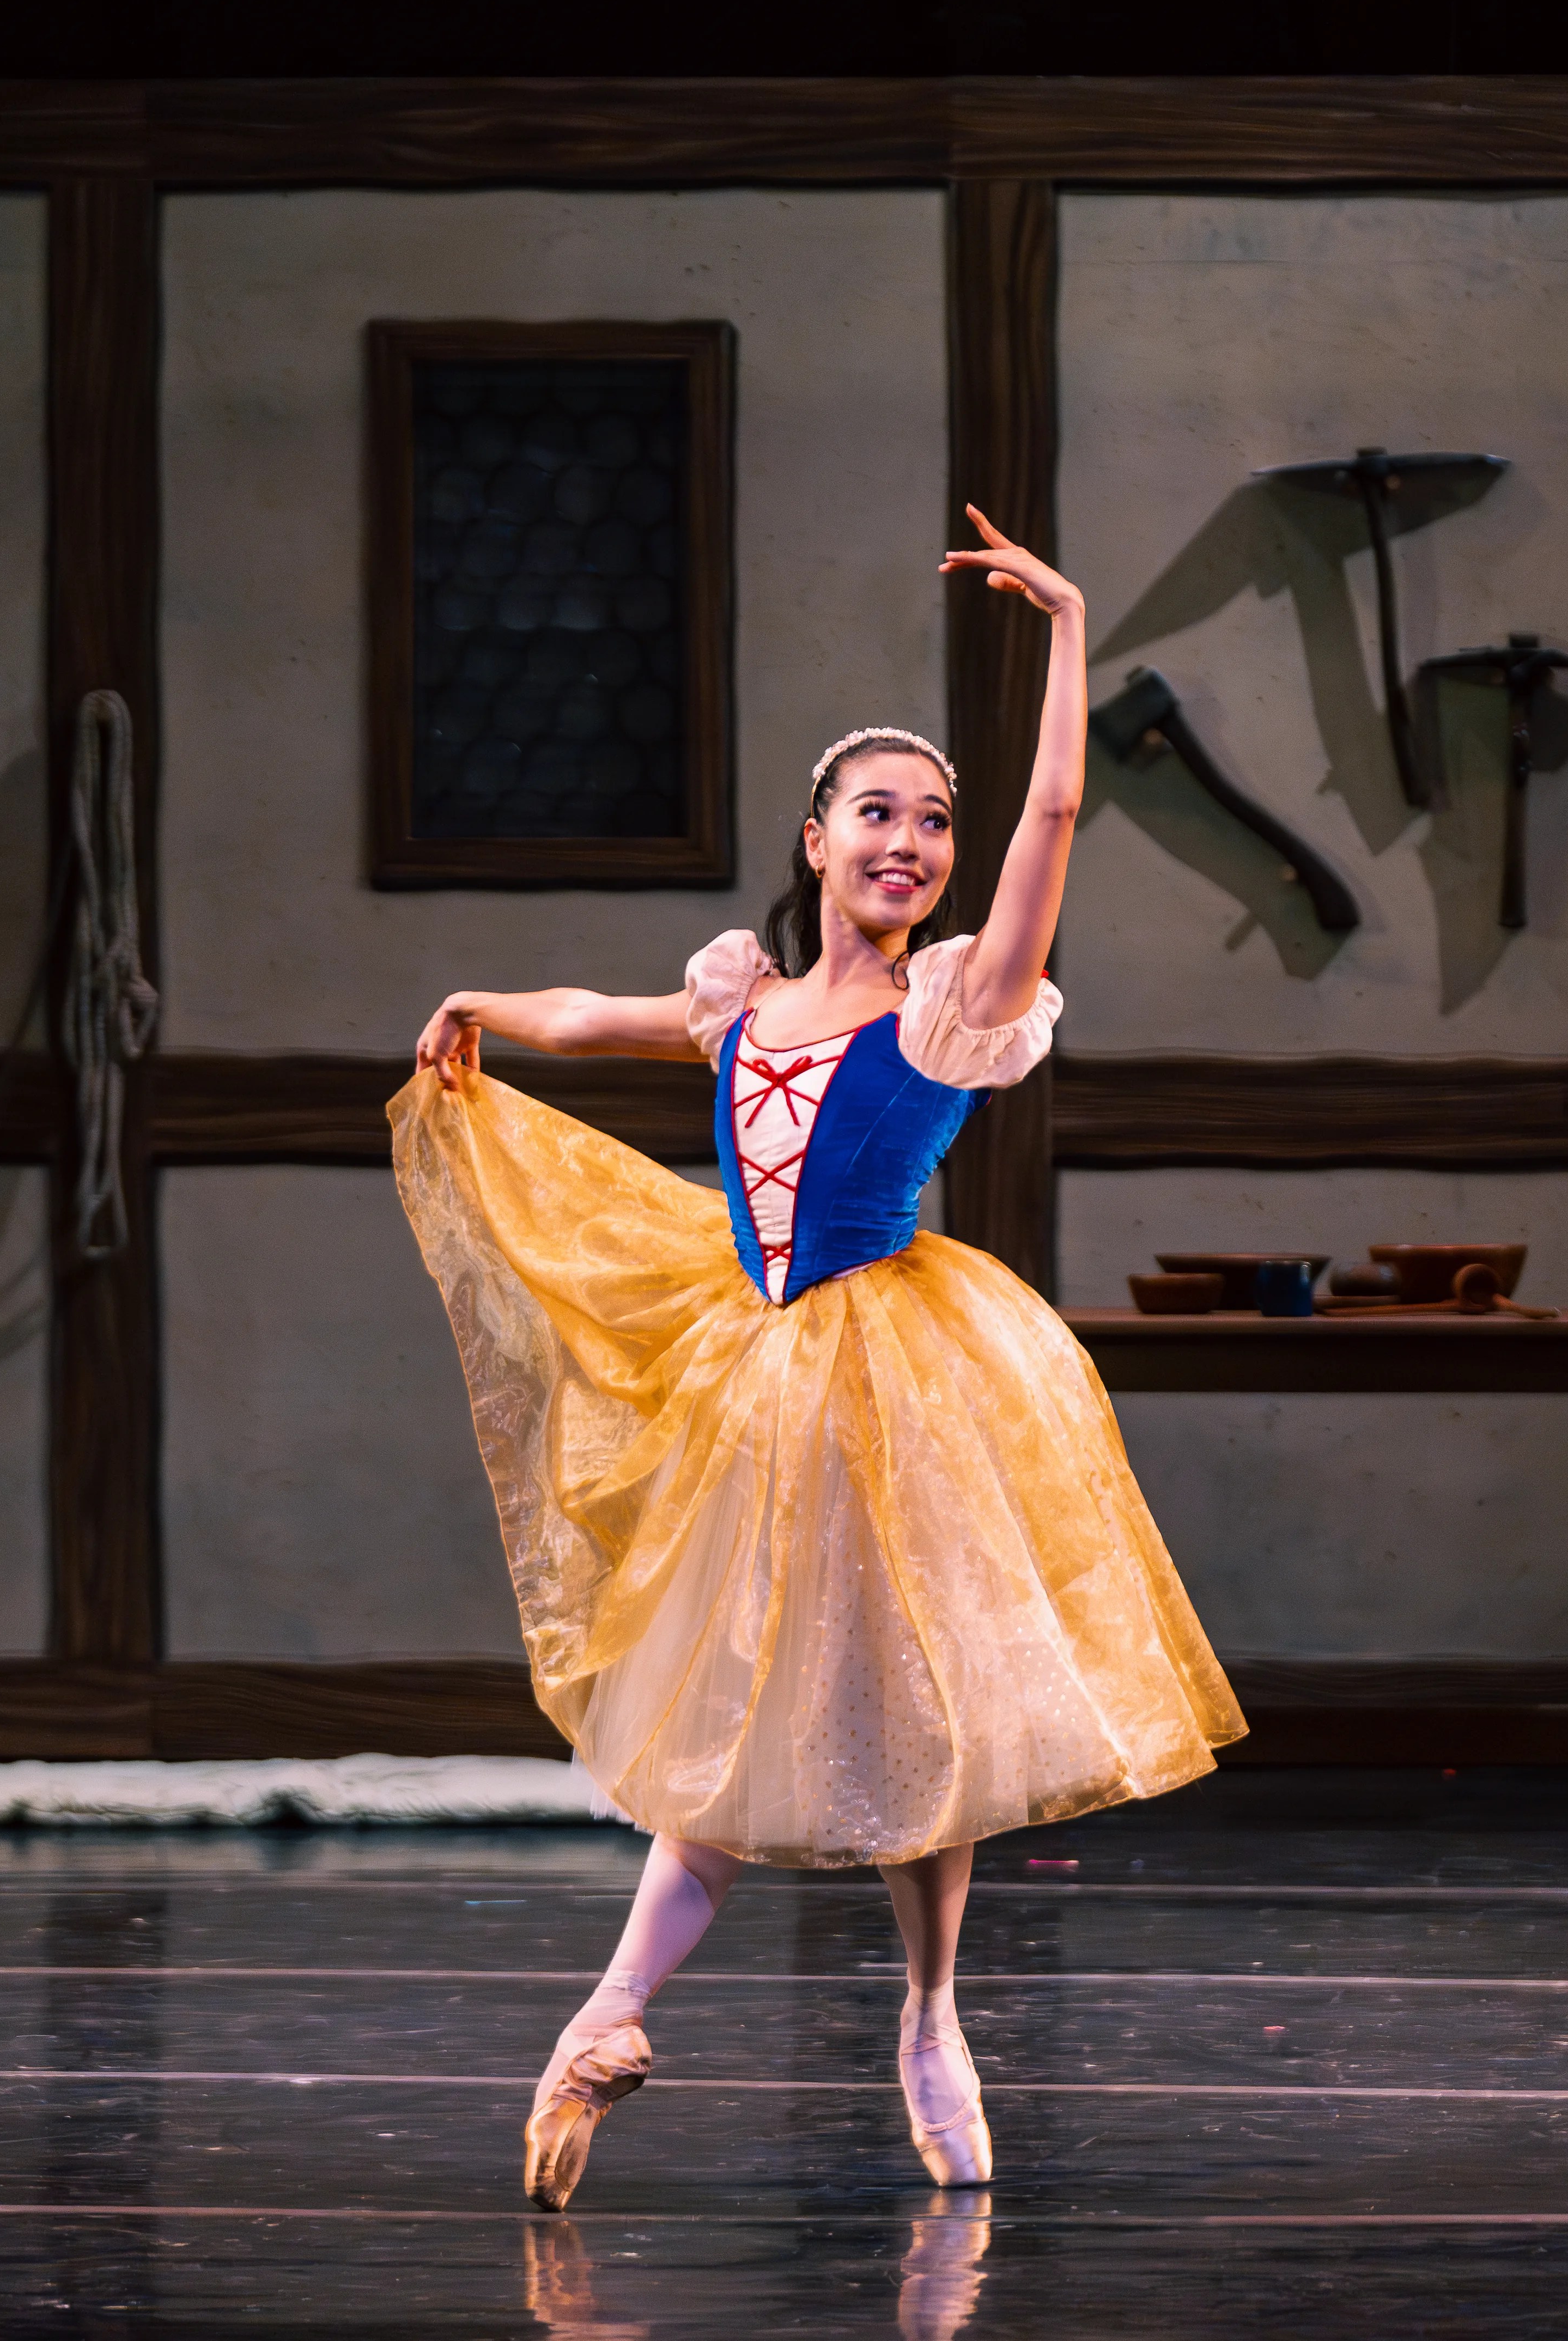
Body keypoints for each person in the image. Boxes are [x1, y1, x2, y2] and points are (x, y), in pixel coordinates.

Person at [394, 506, 1245, 2211]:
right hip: (757, 1377)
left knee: (923, 1716)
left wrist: (1069, 626)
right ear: (818, 835)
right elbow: (600, 1018)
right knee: (734, 1701)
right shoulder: (743, 999)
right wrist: (483, 1003)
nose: (910, 841)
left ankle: (930, 2012)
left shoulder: (952, 1006)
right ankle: (611, 2010)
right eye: (880, 811)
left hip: (901, 1374)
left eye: (932, 821)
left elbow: (1055, 817)